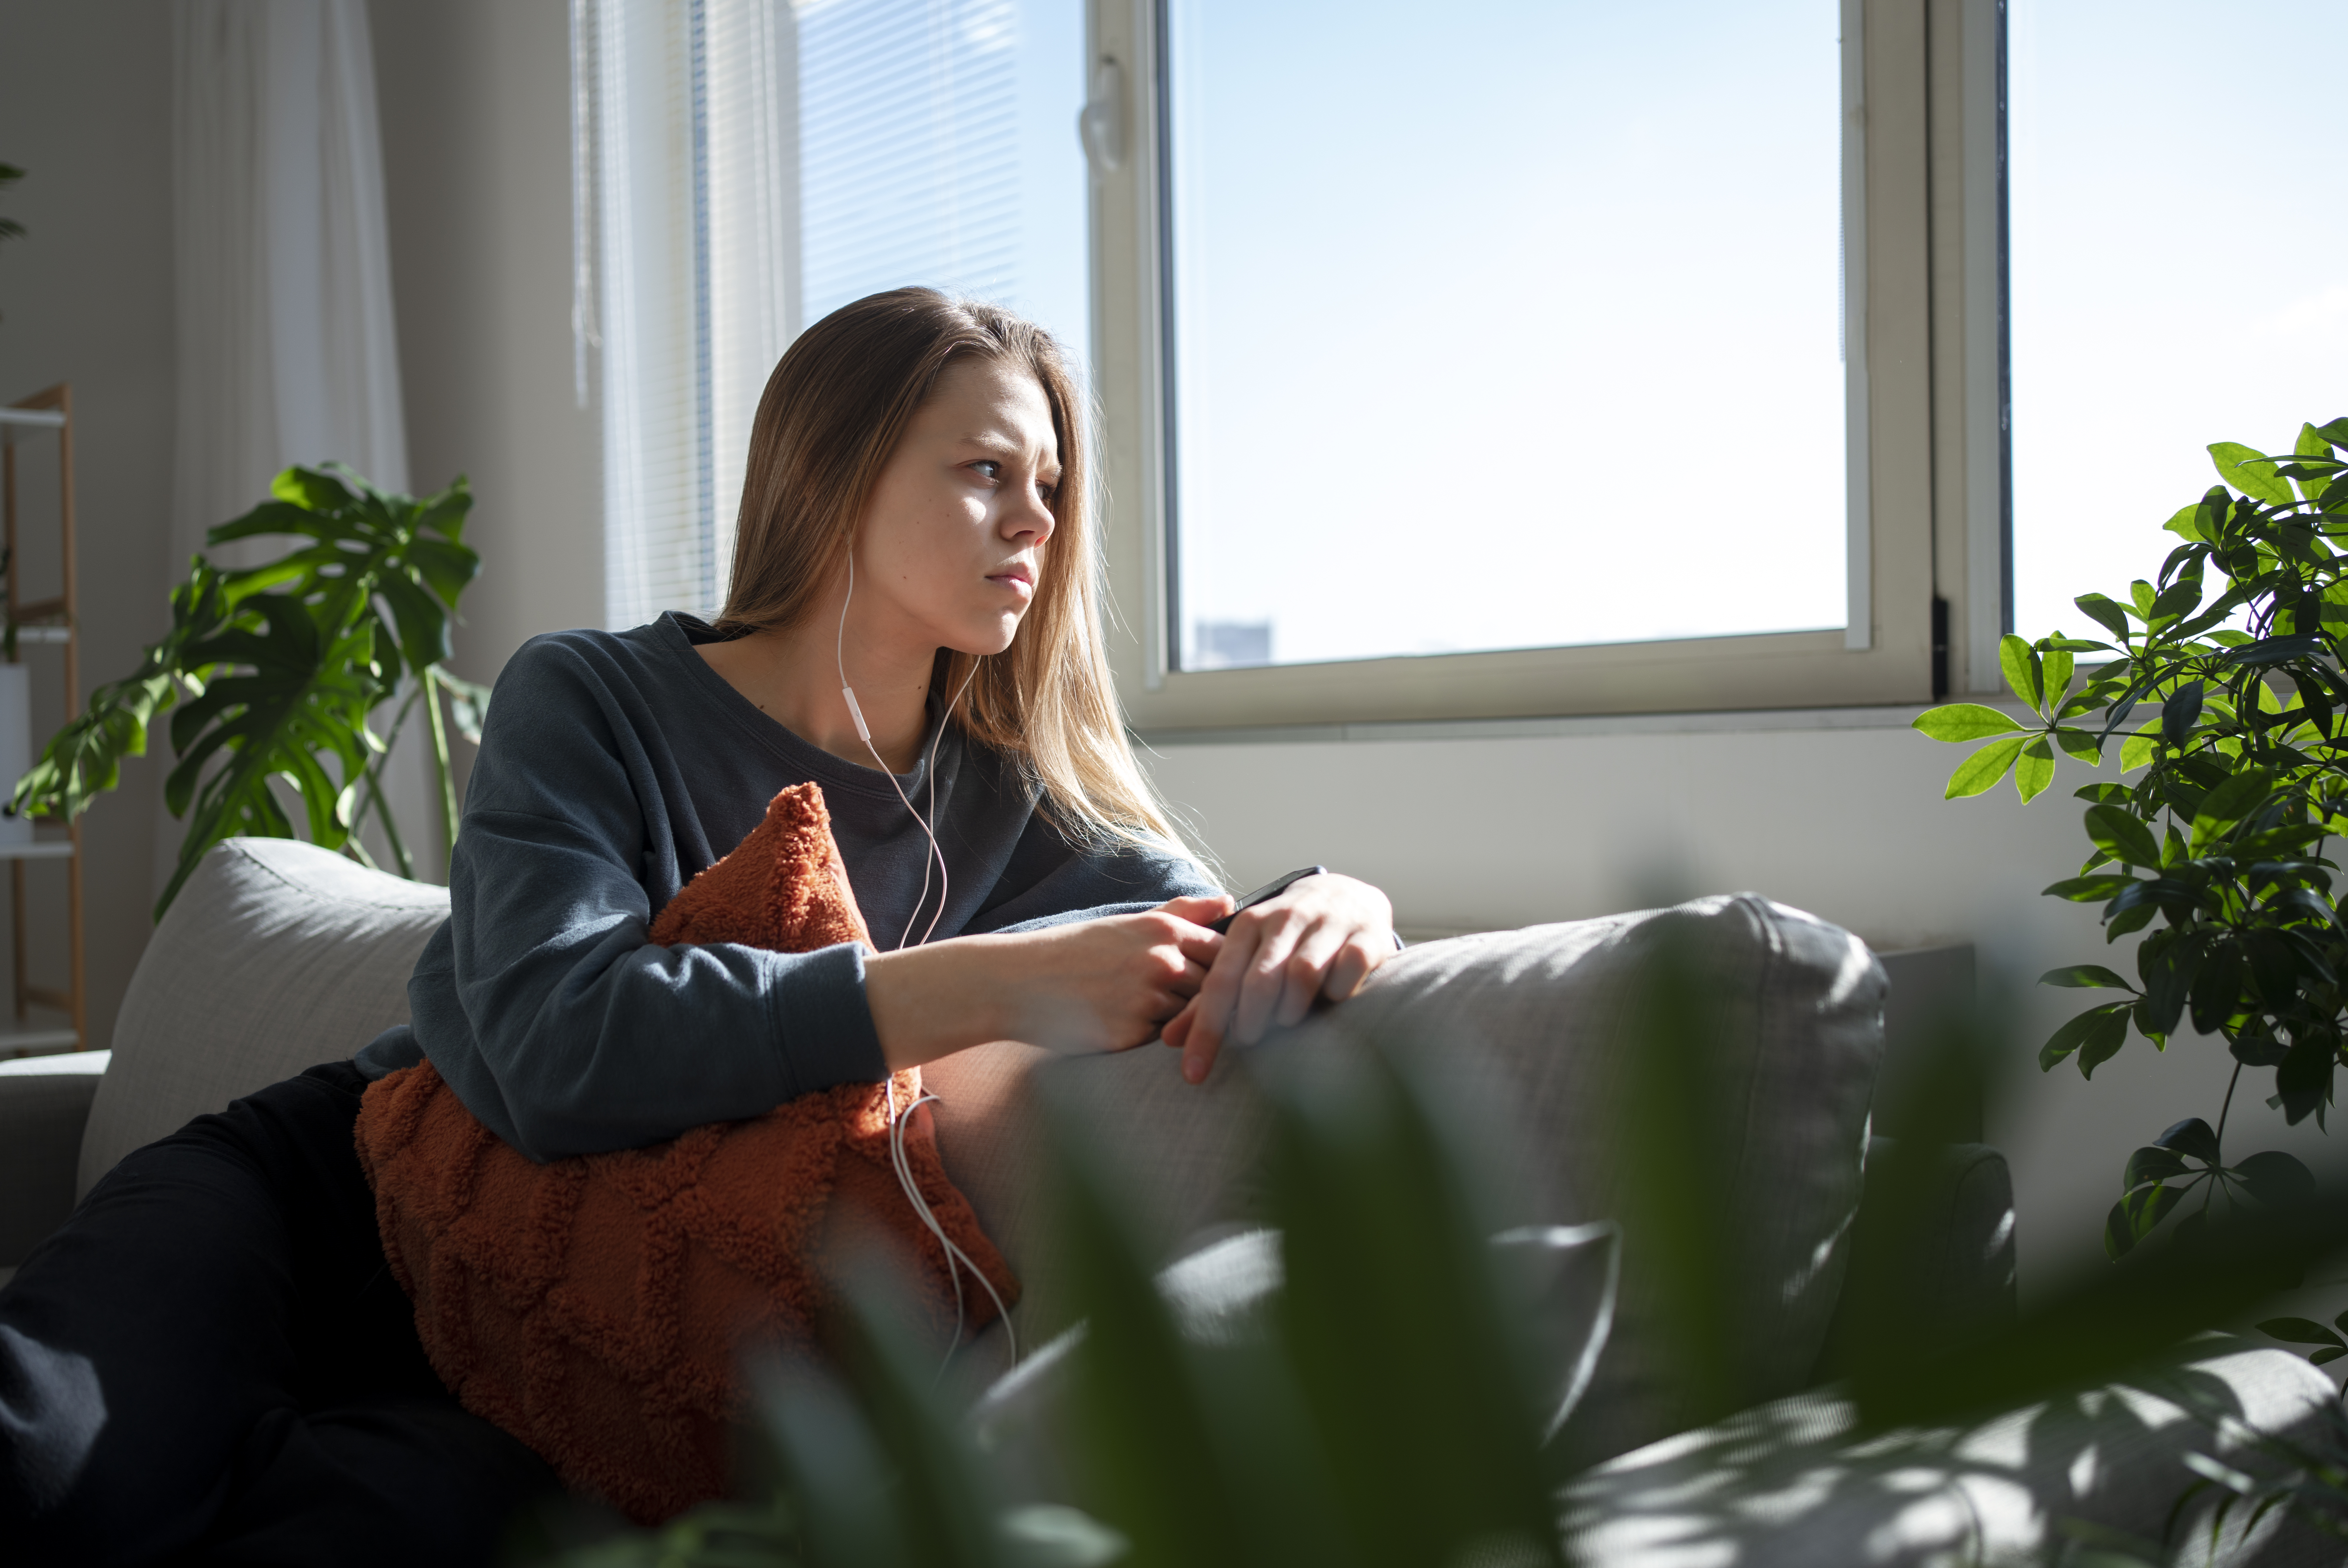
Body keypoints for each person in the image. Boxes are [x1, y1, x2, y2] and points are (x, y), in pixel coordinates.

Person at [0, 288, 1396, 1566]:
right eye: (986, 470)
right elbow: (555, 1045)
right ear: (834, 468)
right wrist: (966, 984)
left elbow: (1201, 926)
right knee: (46, 1471)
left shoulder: (1016, 804)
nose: (1036, 519)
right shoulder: (590, 699)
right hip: (335, 1197)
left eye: (1049, 485)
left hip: (565, 1326)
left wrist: (1338, 899)